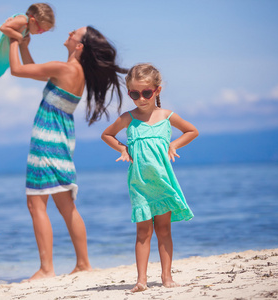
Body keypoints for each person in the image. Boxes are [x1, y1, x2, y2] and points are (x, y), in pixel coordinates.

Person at [9, 27, 127, 280]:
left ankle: (46, 269)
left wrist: (12, 40)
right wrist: (24, 46)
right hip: (61, 141)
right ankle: (83, 264)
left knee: (36, 204)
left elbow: (18, 70)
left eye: (75, 32)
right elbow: (34, 70)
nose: (69, 32)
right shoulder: (73, 71)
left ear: (79, 46)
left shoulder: (66, 69)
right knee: (65, 206)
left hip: (46, 141)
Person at [101, 63, 198, 292]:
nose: (141, 99)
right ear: (129, 94)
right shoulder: (128, 118)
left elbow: (192, 131)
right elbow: (107, 135)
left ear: (157, 90)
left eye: (146, 93)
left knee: (164, 230)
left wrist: (173, 144)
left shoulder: (166, 116)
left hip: (162, 182)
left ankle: (167, 276)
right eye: (135, 94)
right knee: (143, 232)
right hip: (140, 184)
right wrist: (123, 149)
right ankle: (141, 280)